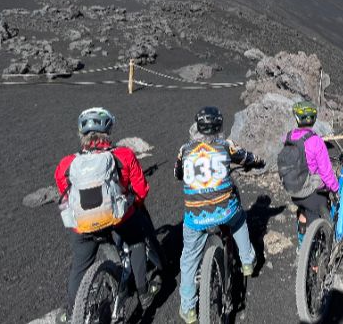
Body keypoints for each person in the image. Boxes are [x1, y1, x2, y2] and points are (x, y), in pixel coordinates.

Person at [54, 107, 160, 322]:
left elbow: (65, 194)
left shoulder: (66, 164)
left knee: (80, 265)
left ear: (82, 134)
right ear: (108, 130)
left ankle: (71, 311)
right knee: (137, 243)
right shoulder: (124, 155)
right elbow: (141, 190)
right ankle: (143, 292)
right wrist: (132, 204)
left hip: (82, 224)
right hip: (118, 218)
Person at [175, 106, 263, 324]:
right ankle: (247, 261)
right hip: (223, 210)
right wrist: (258, 161)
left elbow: (178, 173)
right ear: (220, 126)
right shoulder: (226, 146)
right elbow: (247, 158)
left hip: (195, 216)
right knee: (240, 219)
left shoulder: (185, 150)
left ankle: (188, 309)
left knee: (188, 259)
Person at [277, 100, 339, 245]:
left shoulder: (288, 137)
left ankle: (301, 241)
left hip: (292, 188)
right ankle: (313, 255)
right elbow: (326, 172)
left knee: (302, 208)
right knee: (316, 208)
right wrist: (335, 189)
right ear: (314, 119)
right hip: (308, 191)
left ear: (297, 118)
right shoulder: (316, 141)